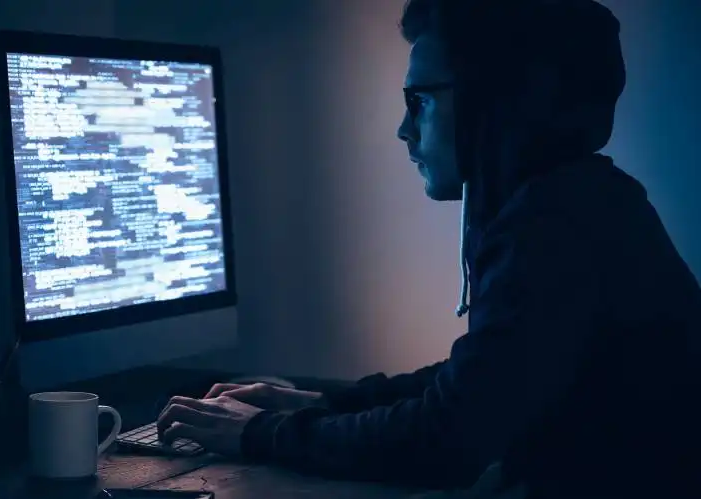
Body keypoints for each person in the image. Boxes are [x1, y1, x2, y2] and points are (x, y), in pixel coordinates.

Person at [158, 0, 701, 496]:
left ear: (496, 103)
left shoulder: (555, 222)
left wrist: (261, 433)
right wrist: (322, 403)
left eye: (419, 100)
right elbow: (478, 384)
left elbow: (447, 439)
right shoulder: (582, 199)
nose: (403, 129)